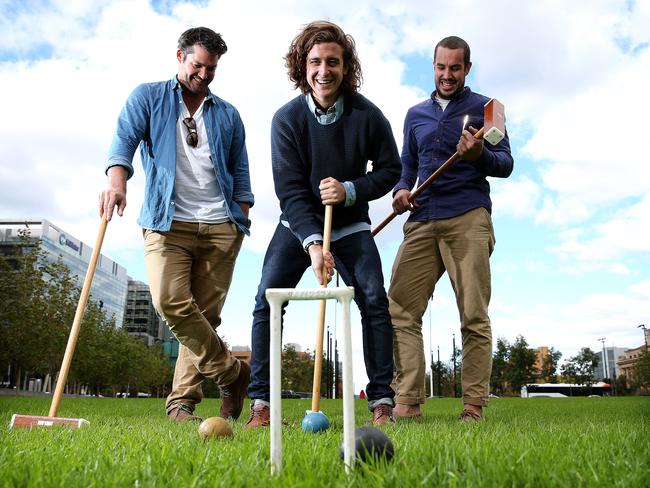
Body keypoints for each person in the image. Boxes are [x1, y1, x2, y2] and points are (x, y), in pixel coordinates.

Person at [245, 20, 401, 428]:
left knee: (373, 298)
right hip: (297, 225)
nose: (324, 70)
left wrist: (350, 190)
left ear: (346, 67)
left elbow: (390, 170)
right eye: (315, 61)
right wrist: (315, 245)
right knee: (267, 298)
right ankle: (261, 403)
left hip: (350, 226)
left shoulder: (368, 116)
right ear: (303, 65)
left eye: (333, 61)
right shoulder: (287, 119)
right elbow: (291, 190)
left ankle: (382, 399)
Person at [99, 27, 254, 423]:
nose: (204, 74)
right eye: (197, 65)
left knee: (204, 315)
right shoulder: (148, 97)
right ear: (180, 56)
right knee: (169, 301)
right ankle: (233, 375)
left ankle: (181, 403)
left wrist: (241, 217)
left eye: (212, 68)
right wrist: (116, 183)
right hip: (167, 223)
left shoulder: (227, 114)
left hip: (221, 224)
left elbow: (240, 170)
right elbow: (123, 142)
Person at [388, 36, 514, 421]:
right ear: (433, 66)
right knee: (399, 309)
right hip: (422, 219)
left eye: (455, 68)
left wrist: (479, 155)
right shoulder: (415, 114)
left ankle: (472, 406)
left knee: (473, 314)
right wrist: (401, 190)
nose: (447, 75)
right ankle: (407, 402)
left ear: (467, 69)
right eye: (441, 67)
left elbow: (505, 163)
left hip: (467, 216)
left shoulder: (487, 110)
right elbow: (406, 166)